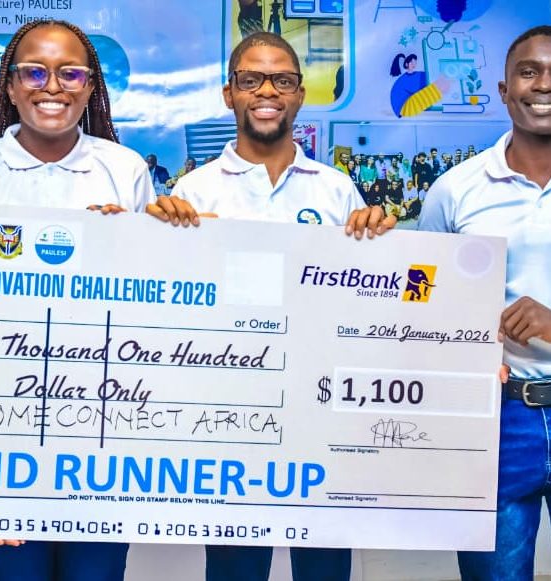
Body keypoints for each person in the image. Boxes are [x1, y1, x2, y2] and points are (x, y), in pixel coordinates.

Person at [148, 31, 395, 581]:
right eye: (251, 79)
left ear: (300, 95)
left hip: (320, 405)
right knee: (235, 565)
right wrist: (158, 236)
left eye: (282, 80)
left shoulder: (336, 190)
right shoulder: (194, 193)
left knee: (324, 563)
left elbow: (365, 297)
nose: (267, 91)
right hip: (229, 409)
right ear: (229, 93)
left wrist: (379, 239)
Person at [0, 19, 154, 581]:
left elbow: (152, 301)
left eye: (70, 73)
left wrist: (130, 242)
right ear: (10, 86)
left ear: (90, 86)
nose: (51, 86)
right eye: (34, 72)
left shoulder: (125, 170)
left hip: (103, 427)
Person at [418, 25, 551, 581]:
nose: (543, 84)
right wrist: (461, 352)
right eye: (529, 72)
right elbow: (419, 299)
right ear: (503, 90)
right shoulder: (456, 189)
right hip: (496, 418)